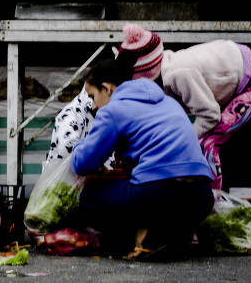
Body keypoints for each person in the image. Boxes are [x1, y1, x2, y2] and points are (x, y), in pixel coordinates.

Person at [70, 54, 214, 259]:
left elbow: (83, 163)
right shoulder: (169, 103)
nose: (93, 106)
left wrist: (78, 146)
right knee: (142, 188)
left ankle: (141, 238)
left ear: (107, 88)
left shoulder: (113, 111)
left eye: (92, 96)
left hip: (157, 195)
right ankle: (169, 236)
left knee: (89, 197)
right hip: (201, 197)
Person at [116, 23, 251, 190]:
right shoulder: (161, 69)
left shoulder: (178, 75)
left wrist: (182, 140)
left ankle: (213, 203)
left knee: (206, 142)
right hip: (237, 73)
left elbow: (210, 115)